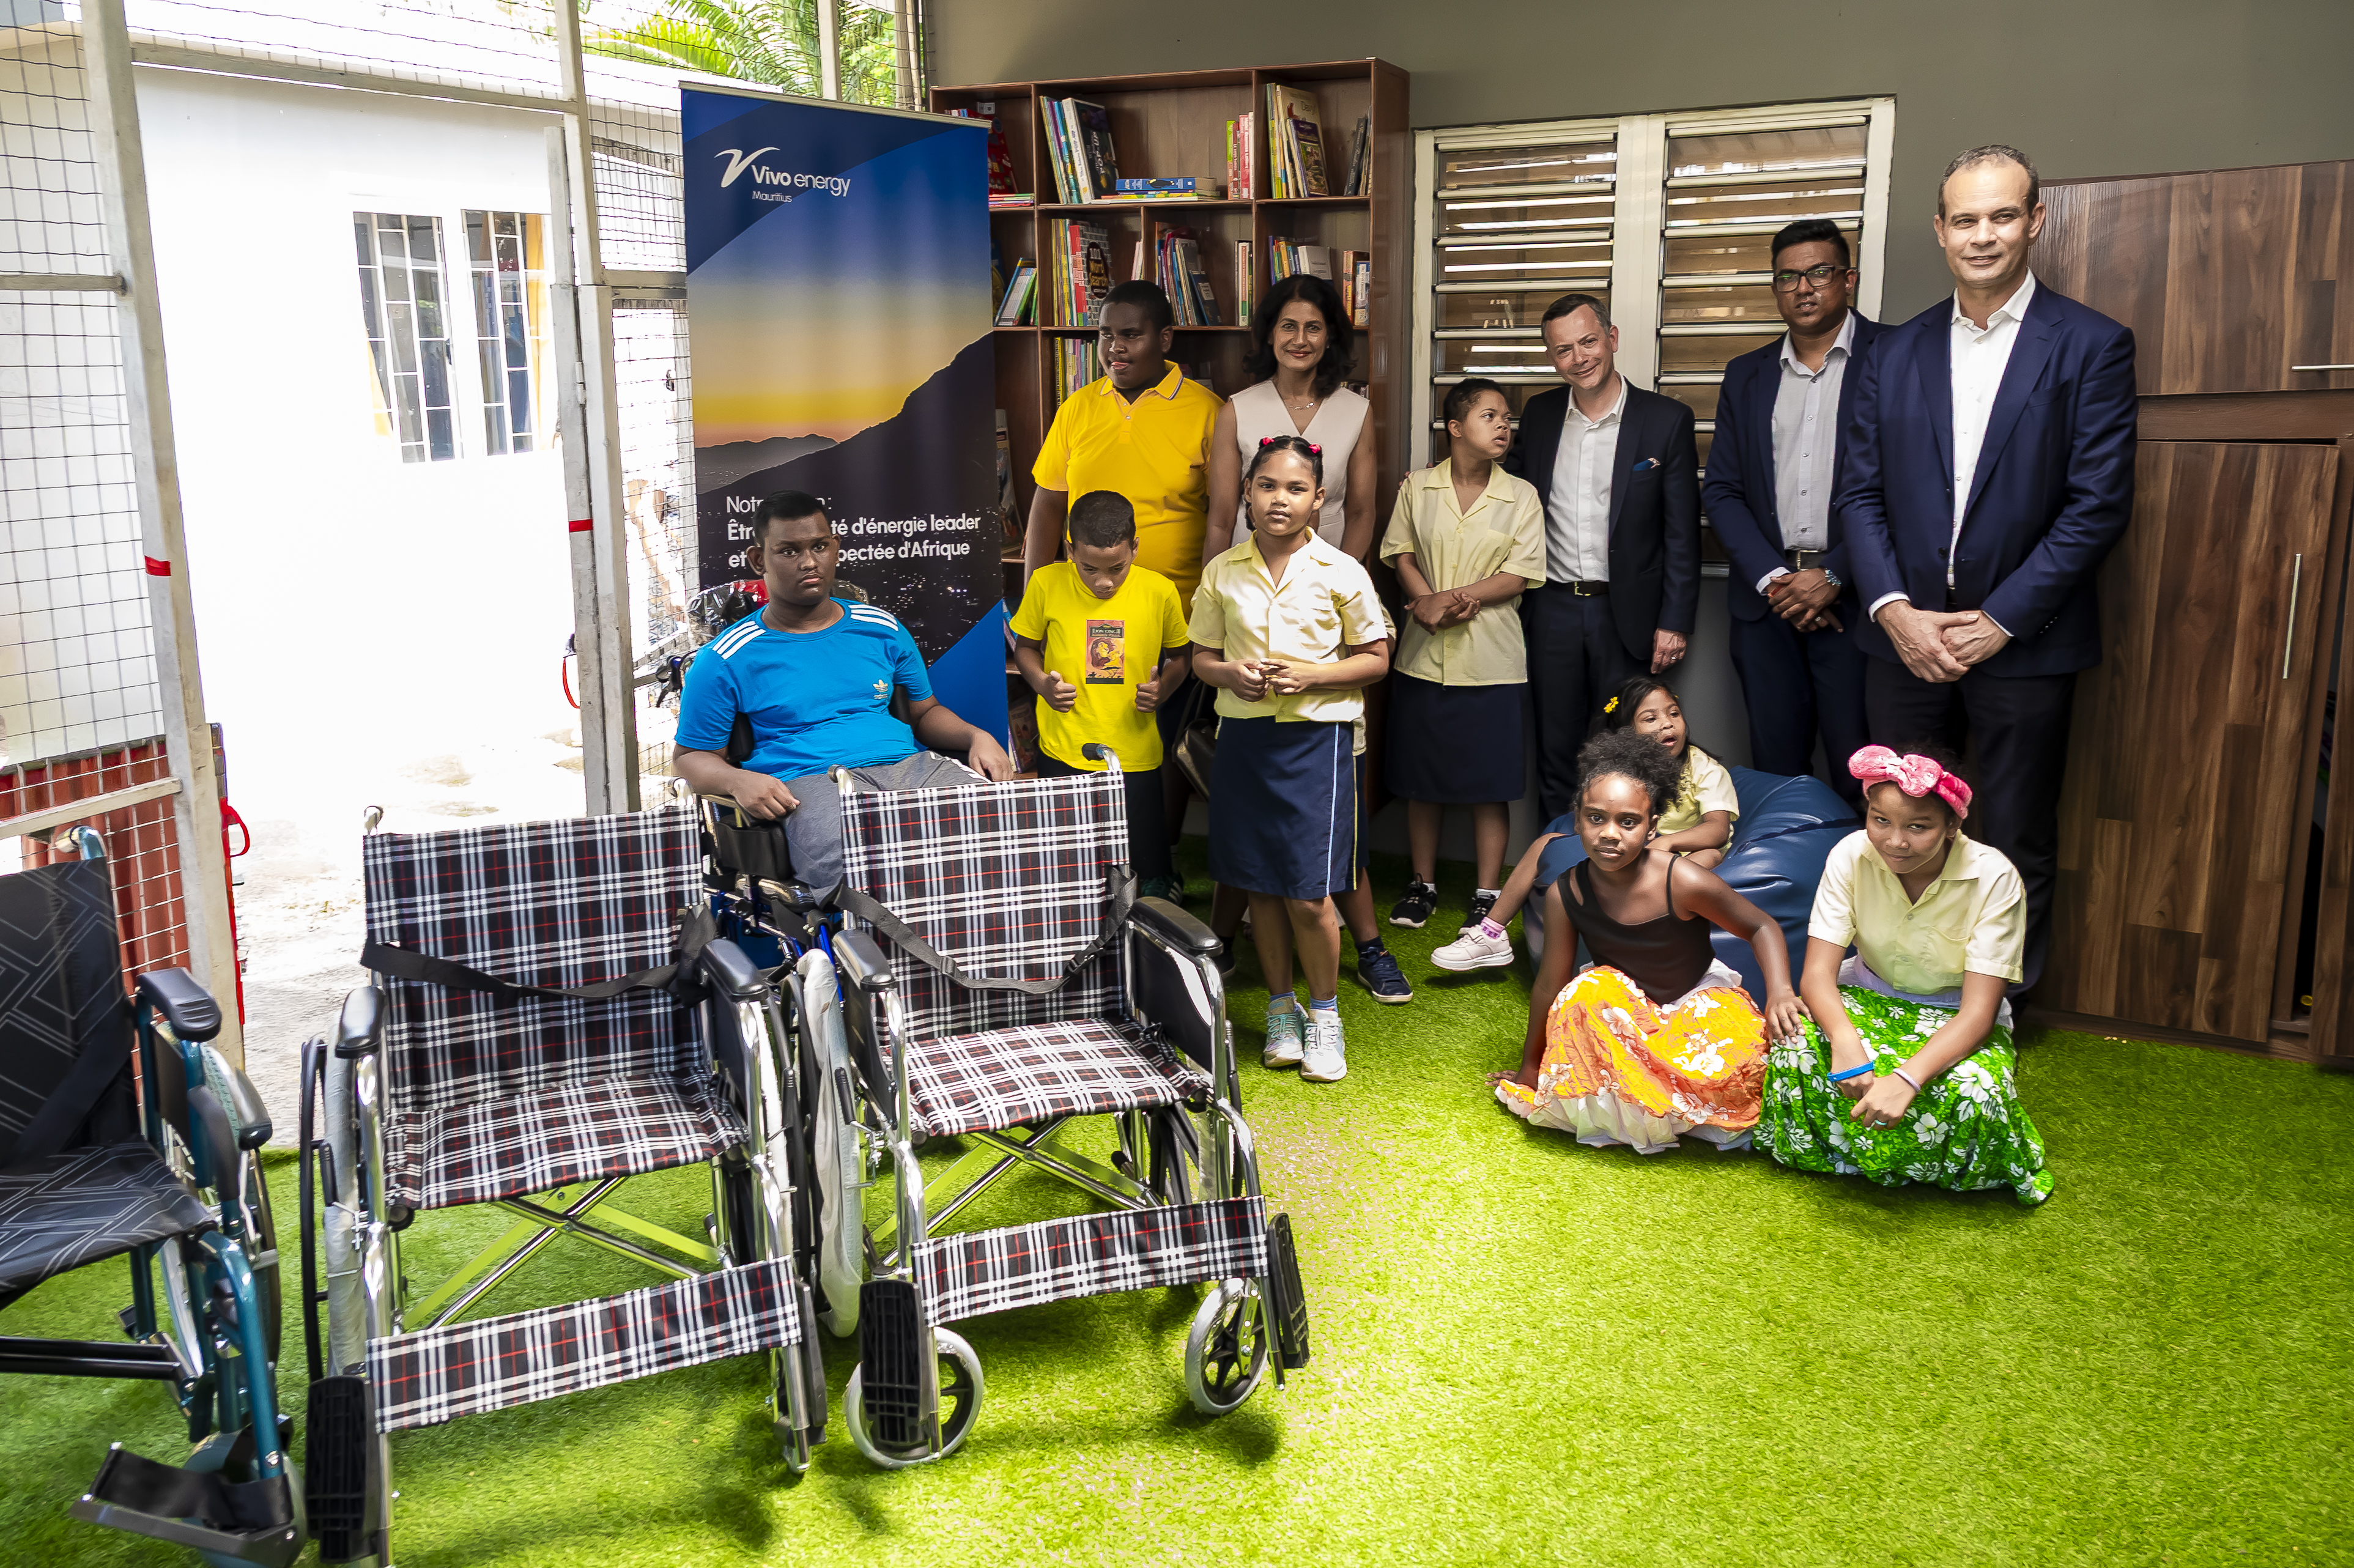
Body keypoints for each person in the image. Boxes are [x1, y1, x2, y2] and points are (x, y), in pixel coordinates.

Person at [1833, 144, 2136, 991]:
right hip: (1901, 643)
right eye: (1965, 219)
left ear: (2034, 221)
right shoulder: (1889, 354)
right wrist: (1893, 609)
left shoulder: (2091, 346)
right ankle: (1893, 991)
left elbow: (2096, 506)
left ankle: (1997, 1015)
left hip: (2025, 643)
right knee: (1892, 829)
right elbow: (1857, 496)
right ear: (1939, 231)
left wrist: (1999, 621)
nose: (1983, 236)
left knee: (2009, 831)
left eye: (2002, 216)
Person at [1755, 745, 2054, 1205]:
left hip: (1953, 1014)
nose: (1894, 841)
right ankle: (1843, 1154)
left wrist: (1908, 1079)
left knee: (1976, 1092)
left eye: (1918, 826)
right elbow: (1817, 975)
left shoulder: (1994, 878)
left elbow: (1978, 1013)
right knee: (1794, 1051)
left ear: (1952, 826)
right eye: (1880, 820)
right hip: (1865, 991)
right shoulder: (1848, 855)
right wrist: (1846, 1042)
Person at [673, 490, 1015, 892]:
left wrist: (978, 736)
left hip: (911, 767)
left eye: (819, 546)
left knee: (1007, 840)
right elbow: (689, 759)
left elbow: (925, 713)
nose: (808, 562)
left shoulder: (882, 628)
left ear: (835, 547)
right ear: (757, 559)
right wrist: (735, 781)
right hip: (807, 783)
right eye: (788, 551)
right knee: (874, 880)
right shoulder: (724, 659)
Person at [1493, 729, 1805, 1152]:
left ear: (1651, 826)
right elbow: (1551, 983)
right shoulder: (1565, 893)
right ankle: (1643, 1097)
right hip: (1627, 1011)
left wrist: (1781, 991)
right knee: (1584, 991)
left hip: (1695, 1004)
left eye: (1628, 822)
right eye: (1595, 818)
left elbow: (1761, 926)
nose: (1609, 834)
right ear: (1577, 818)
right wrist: (1530, 1067)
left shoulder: (1683, 878)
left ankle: (1658, 1096)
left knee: (1737, 1057)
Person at [1190, 435, 1390, 1084]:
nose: (1281, 498)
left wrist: (1311, 675)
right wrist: (1230, 673)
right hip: (1246, 739)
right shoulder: (1223, 570)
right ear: (1247, 492)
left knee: (1308, 895)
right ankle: (1282, 1009)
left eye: (1296, 488)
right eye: (1268, 485)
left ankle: (1325, 1014)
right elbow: (1201, 657)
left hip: (1318, 743)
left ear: (1319, 500)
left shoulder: (1343, 572)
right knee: (1261, 887)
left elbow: (1376, 658)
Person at [1026, 279, 1223, 900]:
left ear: (1165, 338)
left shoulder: (1207, 410)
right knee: (1082, 736)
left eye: (1131, 334)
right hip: (1075, 612)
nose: (1115, 346)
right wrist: (1035, 592)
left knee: (1157, 749)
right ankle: (1083, 875)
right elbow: (1046, 506)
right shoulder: (1077, 408)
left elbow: (1222, 513)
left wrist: (1207, 616)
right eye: (1107, 333)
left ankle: (1155, 873)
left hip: (1172, 618)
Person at [1703, 216, 1881, 808]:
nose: (1803, 288)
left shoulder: (1897, 355)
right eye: (1787, 277)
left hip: (1856, 605)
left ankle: (1856, 901)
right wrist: (1779, 584)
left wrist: (1832, 576)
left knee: (1863, 772)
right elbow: (1722, 491)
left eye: (1819, 273)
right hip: (1766, 606)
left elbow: (1909, 491)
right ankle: (1786, 899)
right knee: (1775, 775)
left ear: (1847, 279)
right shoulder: (1746, 374)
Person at [1503, 292, 1701, 821]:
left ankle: (1621, 885)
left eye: (1588, 341)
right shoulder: (1540, 415)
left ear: (1611, 340)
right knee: (1555, 749)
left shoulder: (1665, 420)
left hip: (1629, 616)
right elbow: (1506, 492)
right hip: (1552, 610)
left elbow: (1682, 532)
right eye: (1563, 349)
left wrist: (1674, 621)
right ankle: (1555, 875)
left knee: (1627, 754)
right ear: (1552, 358)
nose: (1579, 357)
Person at [1379, 377, 1545, 933]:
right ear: (1455, 428)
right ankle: (1421, 886)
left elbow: (1520, 575)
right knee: (1421, 781)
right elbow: (1398, 550)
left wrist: (1441, 600)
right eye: (1490, 416)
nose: (1503, 426)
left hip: (1491, 658)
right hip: (1423, 658)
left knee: (1488, 785)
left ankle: (1485, 894)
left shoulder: (1520, 494)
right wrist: (1422, 600)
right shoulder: (1417, 488)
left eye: (1506, 418)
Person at [1434, 674, 1736, 970]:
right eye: (1651, 718)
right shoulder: (1620, 772)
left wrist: (1667, 842)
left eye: (1674, 713)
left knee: (1711, 856)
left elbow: (1717, 830)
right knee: (1546, 844)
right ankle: (1491, 934)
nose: (1668, 723)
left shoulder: (1704, 770)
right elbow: (1585, 818)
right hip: (1631, 845)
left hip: (1679, 851)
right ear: (1627, 731)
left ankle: (1642, 919)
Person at [1009, 489, 1191, 889]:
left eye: (1117, 568)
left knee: (1146, 873)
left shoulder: (1159, 591)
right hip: (1063, 749)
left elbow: (1181, 657)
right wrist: (1041, 684)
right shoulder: (1045, 584)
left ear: (1135, 548)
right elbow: (1024, 648)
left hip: (1135, 755)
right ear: (1070, 549)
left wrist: (1163, 689)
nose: (1104, 582)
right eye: (1089, 569)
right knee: (1068, 865)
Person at [1204, 272, 1377, 560]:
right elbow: (1220, 522)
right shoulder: (1236, 411)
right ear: (1271, 334)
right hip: (1249, 575)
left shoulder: (1357, 412)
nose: (1300, 340)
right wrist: (1212, 591)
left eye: (1313, 328)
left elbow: (1362, 514)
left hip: (1328, 574)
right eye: (1288, 327)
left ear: (1330, 336)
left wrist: (1340, 582)